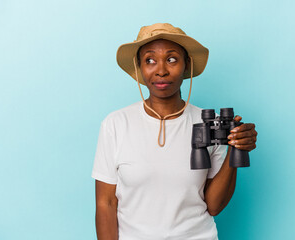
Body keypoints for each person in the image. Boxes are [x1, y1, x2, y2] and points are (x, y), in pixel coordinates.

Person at [91, 23, 257, 240]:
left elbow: (214, 206)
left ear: (187, 65)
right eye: (150, 60)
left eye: (171, 59)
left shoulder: (207, 123)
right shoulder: (116, 124)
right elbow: (106, 203)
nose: (161, 70)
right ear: (139, 66)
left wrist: (236, 149)